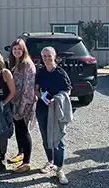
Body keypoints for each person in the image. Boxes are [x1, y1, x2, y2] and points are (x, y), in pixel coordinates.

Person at [35, 46, 73, 185]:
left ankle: (60, 169)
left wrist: (56, 100)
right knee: (46, 138)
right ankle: (50, 162)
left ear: (54, 56)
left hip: (56, 109)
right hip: (42, 109)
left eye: (49, 55)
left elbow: (68, 90)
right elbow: (36, 89)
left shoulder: (60, 72)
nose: (46, 58)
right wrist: (42, 97)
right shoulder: (40, 72)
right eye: (44, 56)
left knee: (57, 139)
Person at [7, 38, 37, 173]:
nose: (17, 51)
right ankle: (20, 153)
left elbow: (28, 88)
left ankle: (27, 162)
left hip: (24, 104)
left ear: (24, 50)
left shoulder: (27, 64)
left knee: (24, 131)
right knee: (18, 129)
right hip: (15, 102)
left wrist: (22, 107)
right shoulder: (15, 63)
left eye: (19, 49)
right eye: (14, 49)